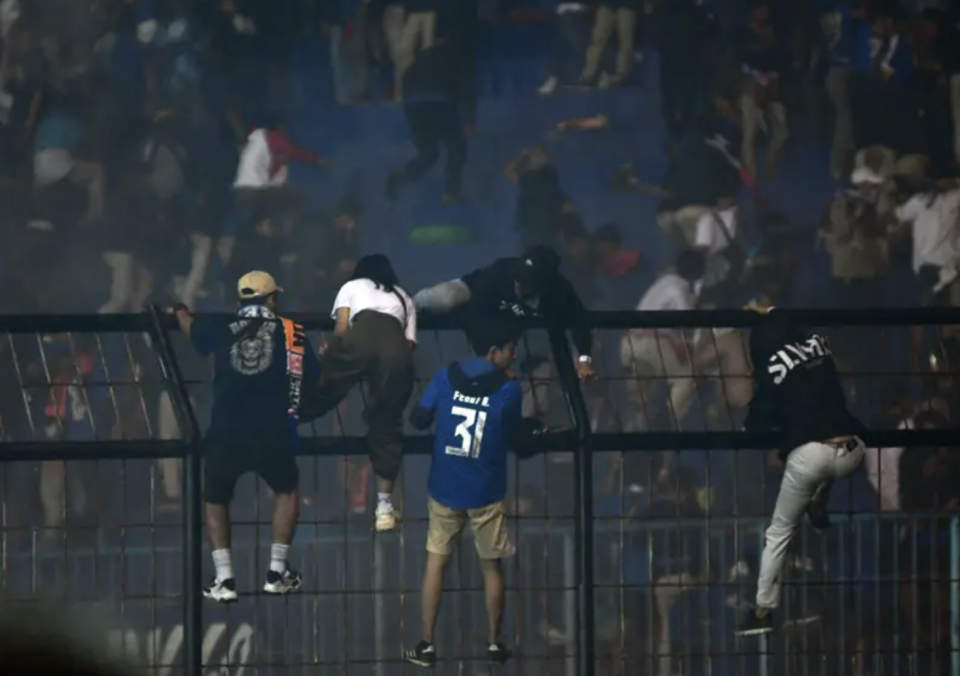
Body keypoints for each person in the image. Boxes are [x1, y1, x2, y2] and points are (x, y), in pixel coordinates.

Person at [171, 270, 321, 602]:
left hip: (226, 432)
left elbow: (190, 327)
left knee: (215, 499)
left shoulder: (219, 327)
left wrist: (179, 311)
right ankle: (276, 571)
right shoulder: (292, 332)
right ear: (273, 301)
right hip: (273, 431)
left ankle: (224, 579)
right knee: (286, 490)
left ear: (238, 302)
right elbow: (314, 377)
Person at [402, 318, 542, 667]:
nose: (513, 355)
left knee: (436, 563)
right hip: (486, 491)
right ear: (495, 351)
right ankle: (494, 642)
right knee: (491, 567)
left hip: (444, 486)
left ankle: (426, 643)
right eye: (511, 348)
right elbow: (514, 433)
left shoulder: (446, 375)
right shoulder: (510, 390)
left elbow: (419, 419)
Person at [735, 303, 866, 636]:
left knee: (778, 533)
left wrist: (750, 426)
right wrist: (769, 308)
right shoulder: (821, 346)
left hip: (812, 455)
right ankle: (819, 501)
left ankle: (763, 611)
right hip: (854, 449)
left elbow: (759, 420)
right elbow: (785, 317)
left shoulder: (771, 366)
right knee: (825, 469)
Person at [300, 254, 417, 532]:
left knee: (322, 390)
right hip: (395, 350)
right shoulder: (404, 297)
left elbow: (341, 329)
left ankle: (289, 415)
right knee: (387, 423)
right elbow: (410, 345)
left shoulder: (351, 287)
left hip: (359, 341)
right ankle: (385, 507)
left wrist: (338, 357)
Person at [412, 246, 596, 382]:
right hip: (473, 294)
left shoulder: (560, 292)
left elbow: (579, 322)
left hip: (513, 322)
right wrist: (493, 358)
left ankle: (532, 424)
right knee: (446, 299)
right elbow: (474, 314)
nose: (519, 284)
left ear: (543, 283)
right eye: (519, 278)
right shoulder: (500, 273)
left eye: (527, 281)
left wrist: (584, 359)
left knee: (537, 366)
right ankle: (407, 306)